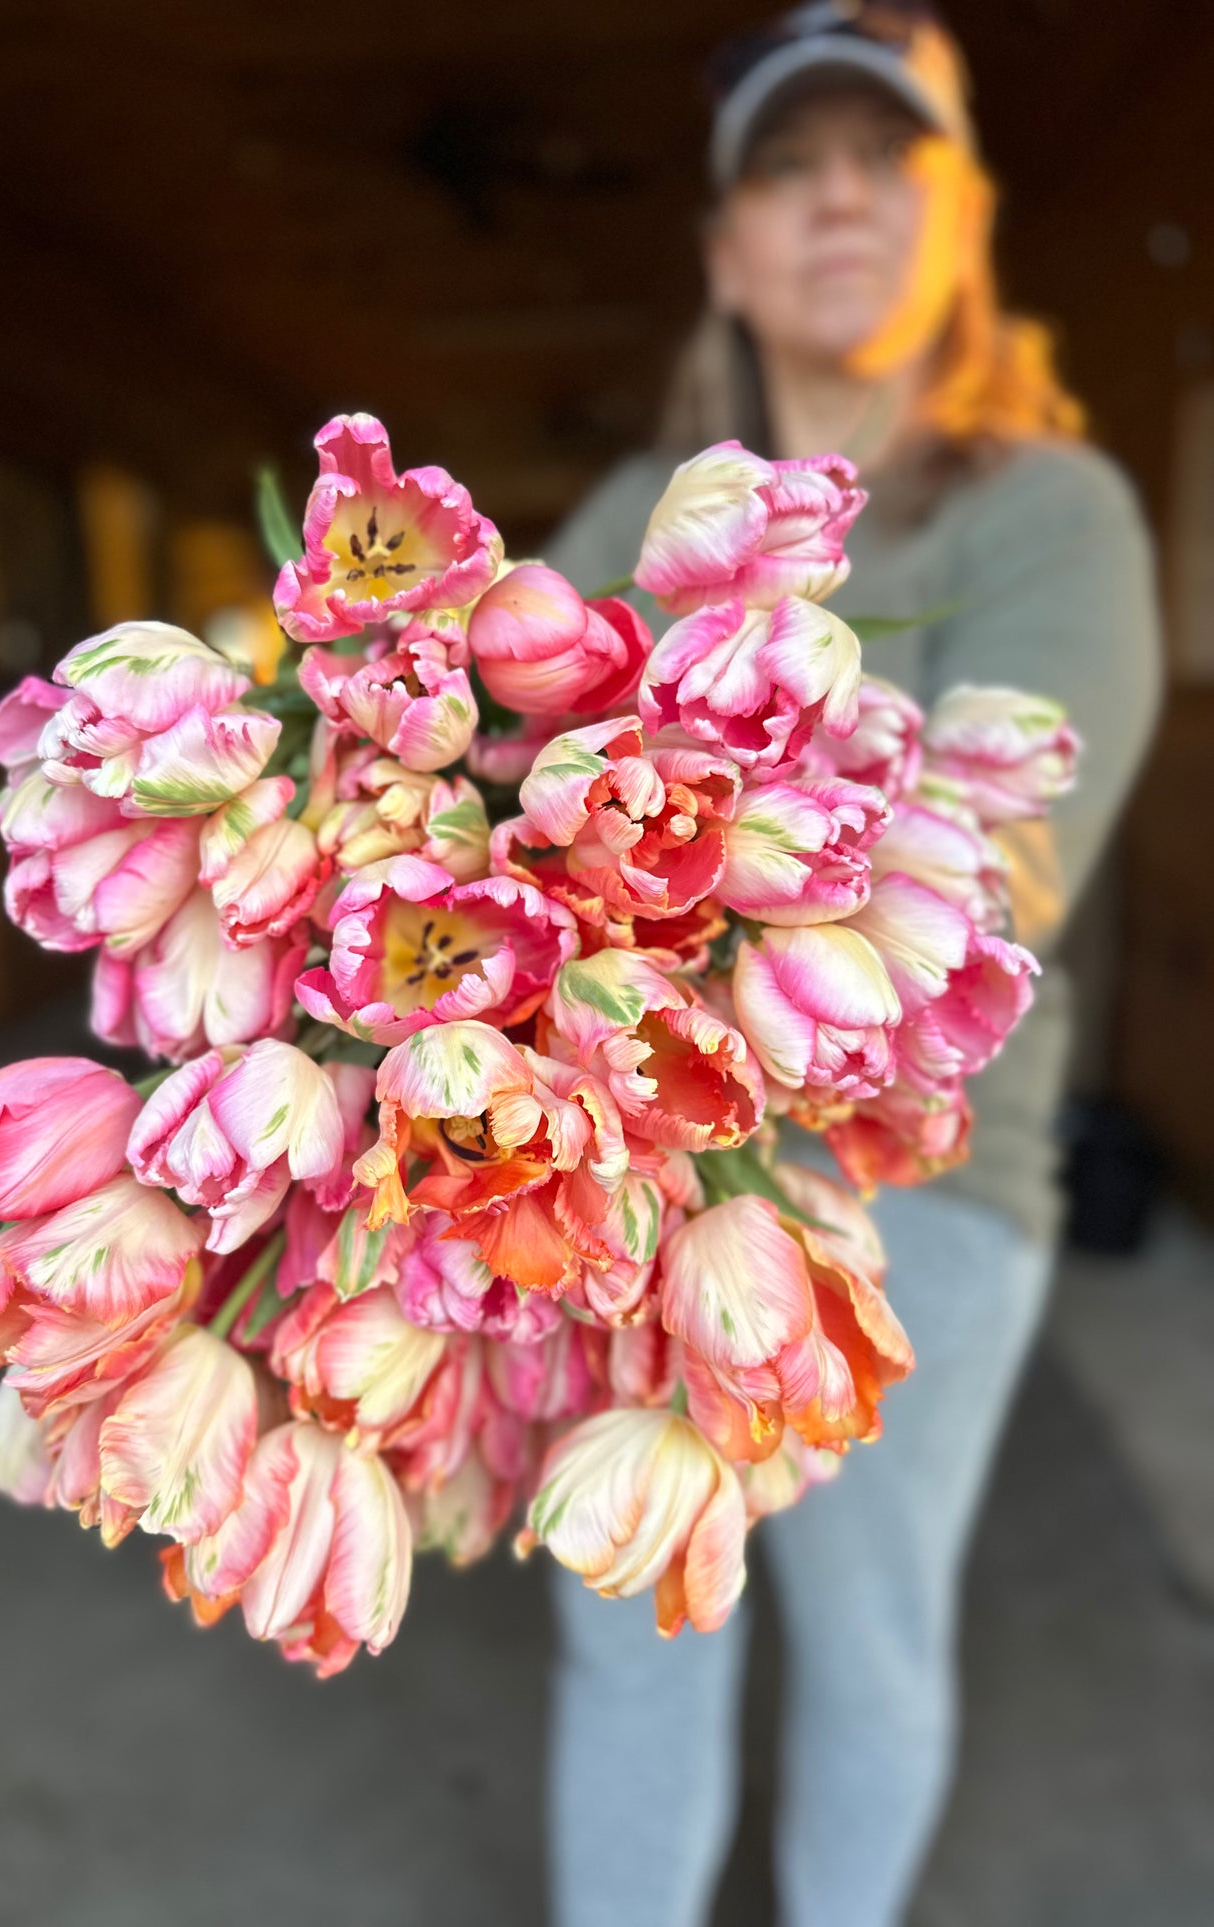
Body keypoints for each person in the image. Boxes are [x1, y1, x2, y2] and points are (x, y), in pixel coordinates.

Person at [540, 6, 1163, 1925]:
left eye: (885, 161)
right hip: (616, 1180)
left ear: (960, 224)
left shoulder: (1048, 511)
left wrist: (599, 871)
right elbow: (471, 782)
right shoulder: (636, 525)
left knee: (866, 1635)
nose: (835, 199)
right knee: (630, 1631)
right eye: (786, 167)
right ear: (724, 253)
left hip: (916, 1195)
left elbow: (972, 900)